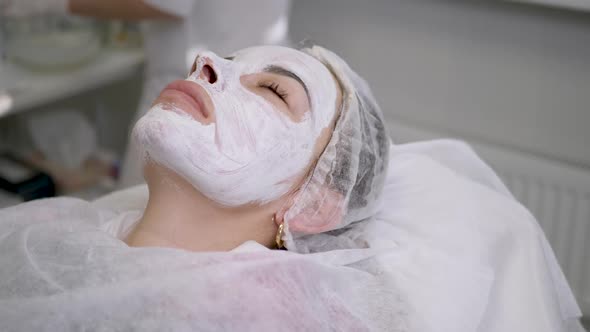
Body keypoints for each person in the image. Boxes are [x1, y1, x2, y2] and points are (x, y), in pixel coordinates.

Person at [0, 45, 586, 331]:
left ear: (315, 205)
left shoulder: (259, 317)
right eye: (223, 58)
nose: (203, 61)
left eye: (275, 91)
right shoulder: (45, 232)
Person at [0, 0, 292, 187]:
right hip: (254, 80)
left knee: (137, 210)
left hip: (195, 86)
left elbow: (167, 5)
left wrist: (54, 3)